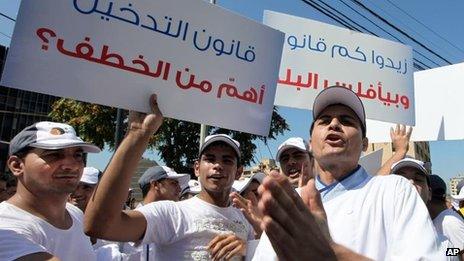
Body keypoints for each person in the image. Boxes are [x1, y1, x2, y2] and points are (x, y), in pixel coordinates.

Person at [253, 86, 441, 260]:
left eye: (346, 121)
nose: (334, 124)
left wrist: (329, 252)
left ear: (365, 144)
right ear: (311, 142)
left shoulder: (394, 190)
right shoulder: (289, 203)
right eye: (324, 121)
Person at [84, 94, 254, 260]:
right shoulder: (172, 214)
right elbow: (99, 225)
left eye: (227, 160)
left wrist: (250, 251)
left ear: (239, 172)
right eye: (209, 159)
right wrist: (137, 133)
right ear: (196, 168)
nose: (217, 165)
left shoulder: (245, 221)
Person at [0, 121, 101, 260]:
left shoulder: (75, 214)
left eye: (77, 155)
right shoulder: (5, 224)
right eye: (54, 155)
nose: (71, 165)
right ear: (17, 165)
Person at [428, 174, 464, 258]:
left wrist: (443, 251)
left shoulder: (449, 222)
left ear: (428, 194)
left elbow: (460, 253)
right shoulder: (441, 219)